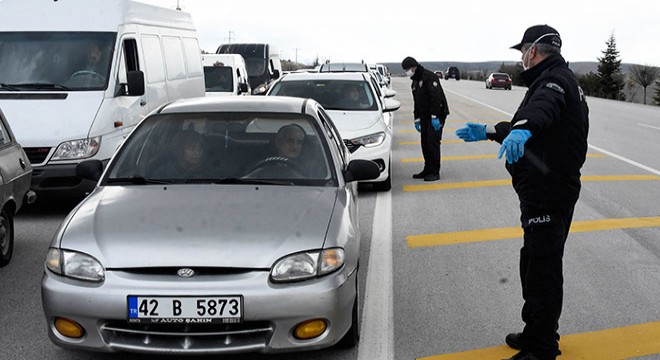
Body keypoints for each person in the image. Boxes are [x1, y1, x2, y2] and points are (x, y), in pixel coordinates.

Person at [455, 25, 589, 360]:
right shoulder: (556, 78)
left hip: (548, 193)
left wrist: (523, 128)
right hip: (545, 190)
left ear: (535, 50)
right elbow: (535, 125)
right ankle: (536, 332)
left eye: (523, 51)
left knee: (542, 269)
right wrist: (491, 131)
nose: (521, 58)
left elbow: (539, 112)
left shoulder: (554, 82)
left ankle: (542, 348)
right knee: (533, 261)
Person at [401, 56, 450, 181]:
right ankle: (427, 168)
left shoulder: (429, 77)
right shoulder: (415, 82)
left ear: (413, 67)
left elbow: (436, 98)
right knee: (425, 143)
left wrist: (435, 117)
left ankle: (434, 172)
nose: (407, 72)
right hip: (424, 116)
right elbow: (417, 102)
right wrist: (416, 118)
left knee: (433, 143)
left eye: (407, 69)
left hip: (436, 115)